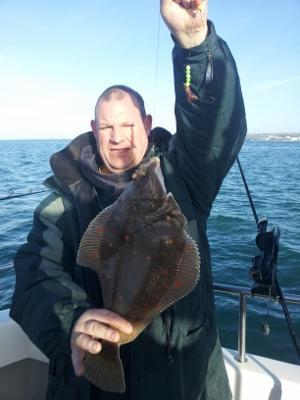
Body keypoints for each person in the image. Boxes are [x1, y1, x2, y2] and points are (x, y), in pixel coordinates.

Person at [10, 0, 247, 399]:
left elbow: (215, 129)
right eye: (107, 127)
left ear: (148, 126)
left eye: (127, 124)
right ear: (93, 129)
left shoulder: (183, 178)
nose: (118, 136)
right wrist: (76, 322)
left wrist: (193, 43)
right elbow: (34, 275)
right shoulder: (64, 202)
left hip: (185, 384)